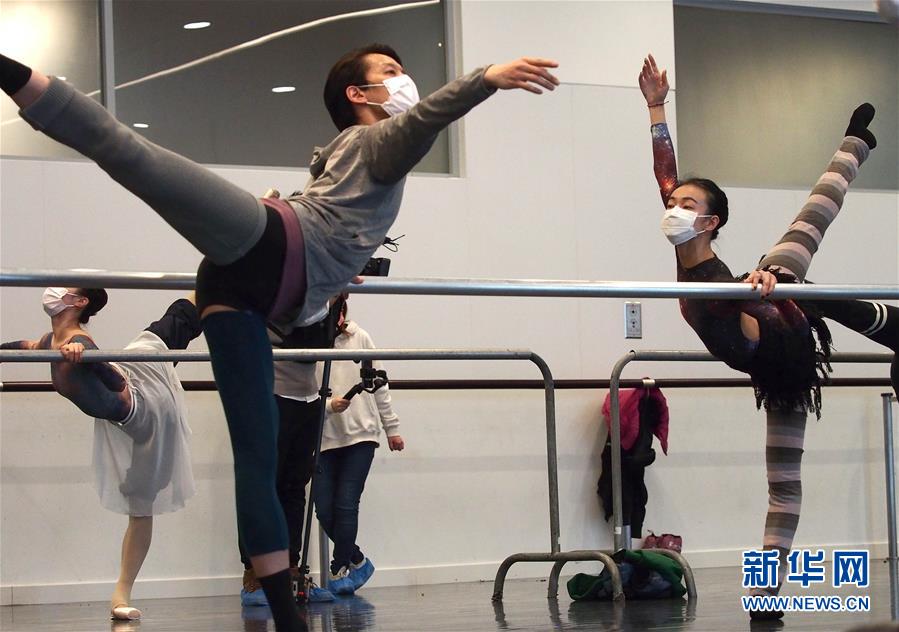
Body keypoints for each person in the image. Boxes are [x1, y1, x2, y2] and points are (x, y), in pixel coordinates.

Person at [1, 46, 558, 631]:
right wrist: (485, 79)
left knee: (257, 461)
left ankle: (287, 618)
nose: (404, 80)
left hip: (240, 289)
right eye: (390, 72)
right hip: (269, 244)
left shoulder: (344, 159)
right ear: (358, 95)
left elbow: (332, 227)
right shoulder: (375, 141)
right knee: (128, 153)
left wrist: (338, 267)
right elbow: (424, 120)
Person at [638, 54, 898, 620]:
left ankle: (855, 143)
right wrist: (656, 107)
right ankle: (766, 599)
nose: (673, 208)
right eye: (673, 203)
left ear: (709, 223)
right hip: (782, 370)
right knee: (784, 486)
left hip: (785, 318)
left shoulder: (717, 282)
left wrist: (762, 286)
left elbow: (742, 298)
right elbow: (665, 174)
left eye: (687, 205)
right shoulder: (696, 264)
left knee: (807, 227)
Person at [1, 289, 201, 621]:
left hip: (148, 405)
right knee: (173, 324)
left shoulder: (81, 342)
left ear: (79, 303)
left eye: (64, 287)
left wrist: (88, 358)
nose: (52, 291)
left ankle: (214, 282)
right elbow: (21, 348)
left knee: (142, 502)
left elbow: (116, 382)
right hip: (136, 377)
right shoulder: (50, 340)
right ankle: (208, 285)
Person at [313, 302, 403, 595]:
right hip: (324, 437)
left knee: (346, 504)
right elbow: (303, 391)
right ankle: (358, 561)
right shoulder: (311, 343)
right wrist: (329, 405)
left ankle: (338, 570)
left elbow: (380, 385)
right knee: (323, 509)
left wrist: (392, 429)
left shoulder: (360, 337)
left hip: (361, 436)